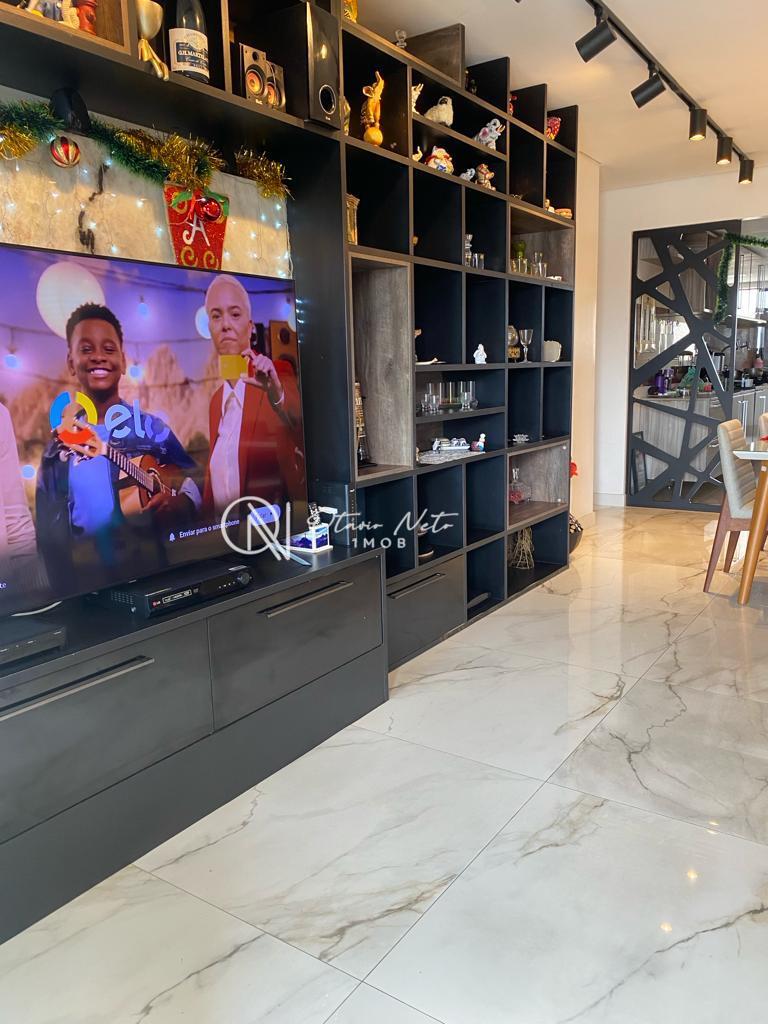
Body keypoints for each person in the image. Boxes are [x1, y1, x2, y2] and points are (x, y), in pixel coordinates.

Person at [36, 303, 202, 592]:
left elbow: (196, 479)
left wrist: (184, 502)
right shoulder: (56, 451)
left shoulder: (150, 428)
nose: (98, 356)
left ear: (123, 362)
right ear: (71, 362)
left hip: (152, 577)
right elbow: (47, 536)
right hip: (85, 588)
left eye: (109, 349)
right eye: (86, 349)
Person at [203, 274, 304, 517]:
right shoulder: (216, 401)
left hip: (269, 528)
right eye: (216, 316)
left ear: (250, 327)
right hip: (223, 531)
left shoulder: (276, 375)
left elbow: (302, 428)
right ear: (210, 328)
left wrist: (276, 395)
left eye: (235, 314)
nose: (225, 324)